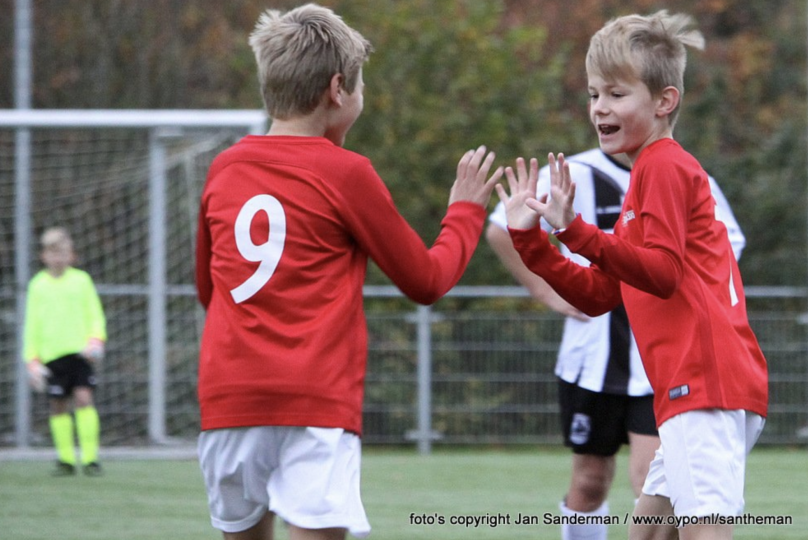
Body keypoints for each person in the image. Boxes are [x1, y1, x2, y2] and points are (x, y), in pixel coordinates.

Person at [194, 4, 502, 540]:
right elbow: (426, 281)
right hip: (314, 402)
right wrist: (466, 212)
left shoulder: (225, 167)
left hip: (230, 399)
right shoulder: (345, 172)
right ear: (338, 89)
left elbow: (209, 291)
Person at [496, 11, 768, 540]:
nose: (599, 106)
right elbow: (601, 294)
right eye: (594, 93)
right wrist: (532, 241)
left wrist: (573, 230)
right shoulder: (647, 173)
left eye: (617, 94)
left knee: (705, 532)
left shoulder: (663, 165)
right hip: (697, 385)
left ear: (665, 101)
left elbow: (662, 274)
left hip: (705, 383)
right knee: (647, 533)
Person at [487, 148, 746, 540]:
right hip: (590, 359)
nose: (601, 115)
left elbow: (714, 252)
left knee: (655, 487)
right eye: (595, 107)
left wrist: (691, 296)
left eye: (615, 104)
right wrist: (544, 290)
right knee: (590, 482)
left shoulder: (681, 173)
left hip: (666, 368)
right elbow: (503, 229)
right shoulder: (575, 171)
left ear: (662, 111)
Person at [23, 226, 106, 477]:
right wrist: (31, 359)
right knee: (58, 405)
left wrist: (96, 340)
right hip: (52, 357)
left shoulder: (81, 281)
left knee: (83, 398)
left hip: (80, 354)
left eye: (62, 253)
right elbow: (31, 324)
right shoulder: (38, 285)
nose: (58, 258)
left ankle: (90, 458)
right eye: (53, 253)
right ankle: (66, 459)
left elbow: (95, 313)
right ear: (44, 256)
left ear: (71, 255)